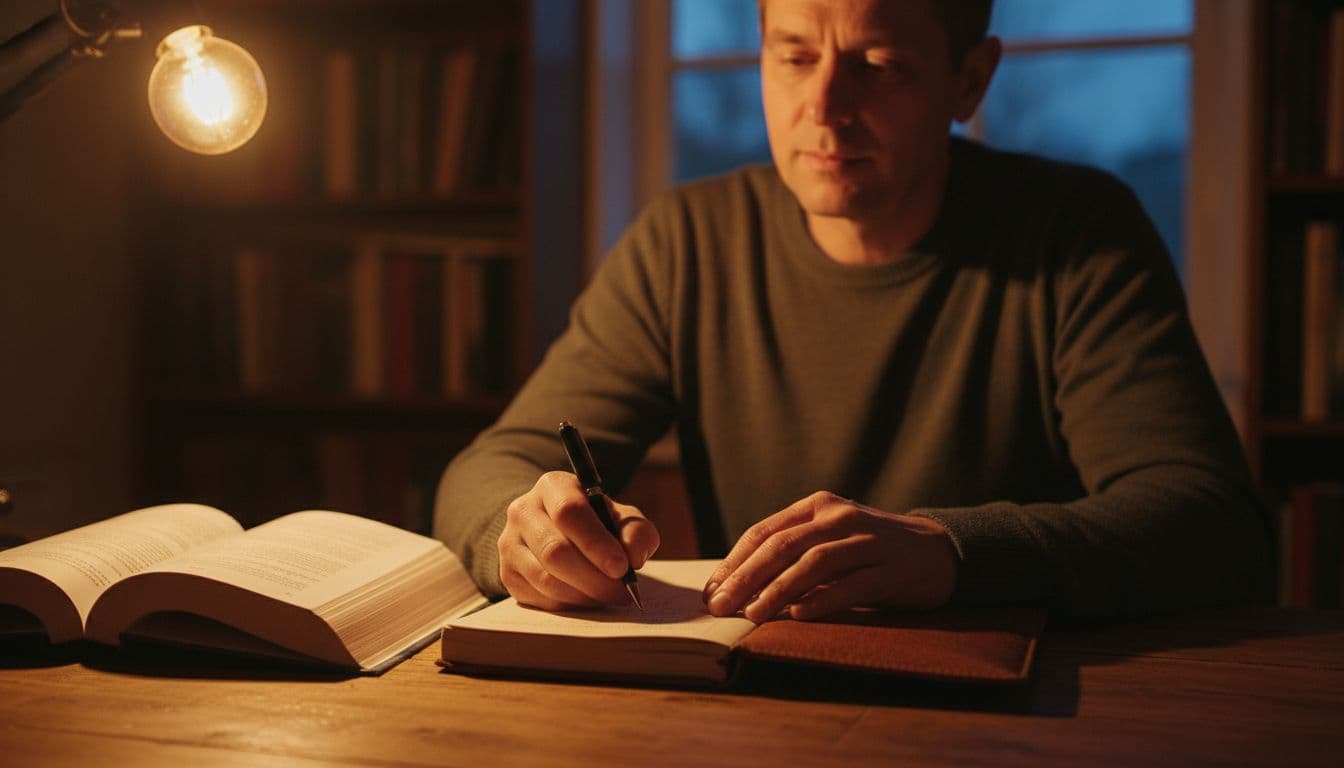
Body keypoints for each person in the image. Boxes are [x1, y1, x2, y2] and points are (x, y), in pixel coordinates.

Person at [435, 0, 1271, 622]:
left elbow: (1207, 522)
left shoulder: (1075, 233)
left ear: (969, 79)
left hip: (1019, 713)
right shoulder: (688, 240)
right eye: (794, 57)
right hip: (760, 702)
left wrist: (952, 554)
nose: (824, 106)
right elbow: (492, 464)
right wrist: (526, 532)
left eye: (878, 64)